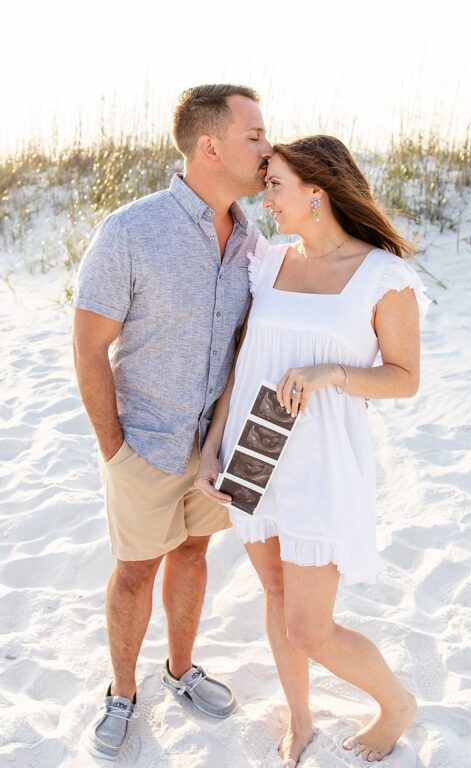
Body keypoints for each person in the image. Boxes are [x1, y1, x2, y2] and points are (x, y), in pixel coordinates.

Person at [195, 135, 427, 766]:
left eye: (275, 185)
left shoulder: (383, 277)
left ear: (316, 193)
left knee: (310, 625)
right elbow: (243, 365)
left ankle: (397, 704)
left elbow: (405, 377)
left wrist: (332, 372)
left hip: (322, 465)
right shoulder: (266, 262)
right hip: (253, 454)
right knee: (273, 593)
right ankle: (300, 718)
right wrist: (211, 450)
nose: (264, 197)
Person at [72, 84, 272, 759]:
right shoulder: (131, 230)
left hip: (216, 450)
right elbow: (87, 347)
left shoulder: (253, 238)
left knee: (193, 551)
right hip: (143, 442)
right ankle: (122, 693)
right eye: (255, 136)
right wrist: (114, 448)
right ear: (210, 146)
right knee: (135, 570)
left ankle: (181, 669)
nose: (267, 148)